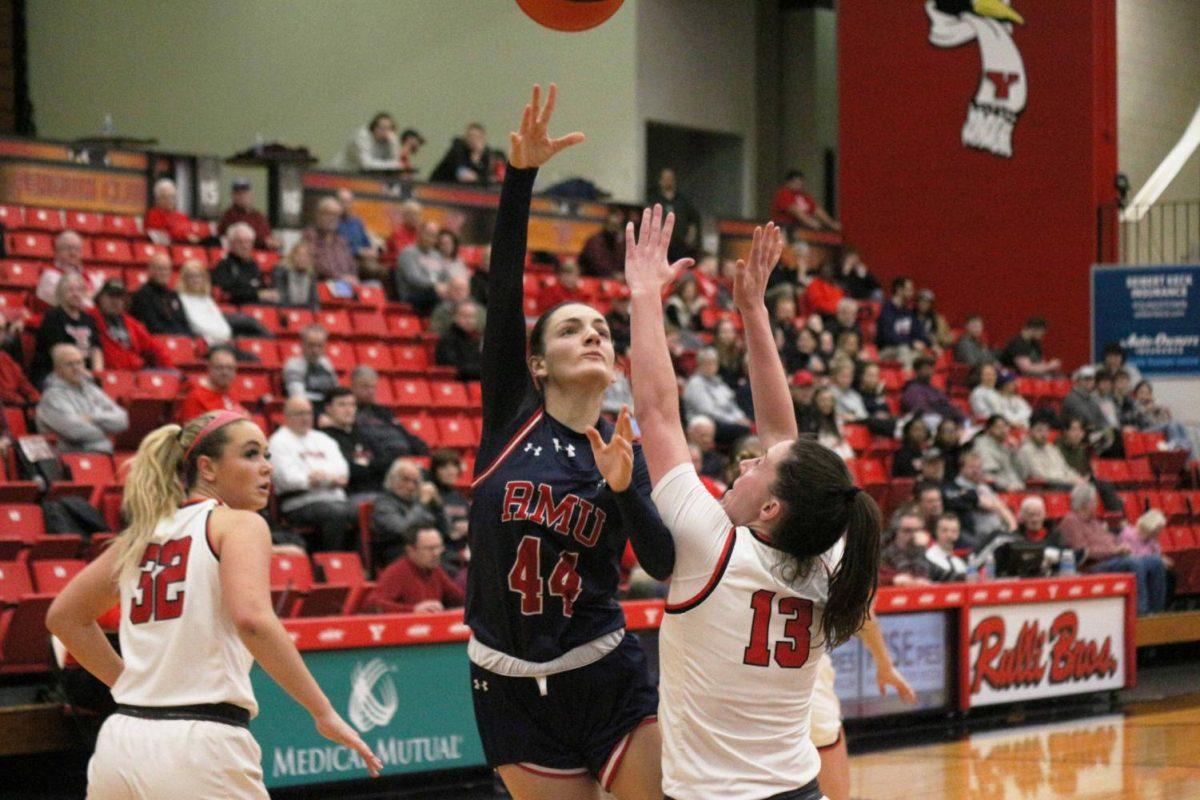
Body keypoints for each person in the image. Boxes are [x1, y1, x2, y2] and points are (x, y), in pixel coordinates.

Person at [464, 86, 674, 799]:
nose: (592, 334)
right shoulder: (509, 420)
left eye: (602, 332)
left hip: (605, 671)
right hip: (507, 684)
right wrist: (519, 177)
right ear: (536, 362)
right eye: (570, 329)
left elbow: (662, 558)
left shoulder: (620, 446)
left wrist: (624, 489)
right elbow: (504, 294)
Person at [628, 208, 880, 800]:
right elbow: (780, 437)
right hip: (798, 789)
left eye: (757, 469)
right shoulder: (827, 554)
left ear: (771, 510)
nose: (746, 463)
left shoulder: (709, 547)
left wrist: (644, 296)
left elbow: (660, 413)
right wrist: (753, 313)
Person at [46, 411, 380, 798]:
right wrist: (322, 712)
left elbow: (64, 617)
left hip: (122, 739)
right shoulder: (239, 524)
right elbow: (253, 620)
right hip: (199, 745)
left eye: (268, 456)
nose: (266, 468)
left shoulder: (140, 536)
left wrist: (130, 685)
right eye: (251, 454)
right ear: (207, 467)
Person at [1056, 484, 1167, 615]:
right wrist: (1115, 551)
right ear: (1085, 504)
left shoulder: (1094, 522)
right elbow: (1082, 553)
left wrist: (1121, 547)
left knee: (1155, 561)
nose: (1097, 505)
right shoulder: (1071, 522)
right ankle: (1140, 613)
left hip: (1115, 559)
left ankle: (1156, 612)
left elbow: (1111, 540)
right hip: (1093, 567)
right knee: (1134, 563)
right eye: (1095, 501)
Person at [268, 396, 359, 552]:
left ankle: (358, 564)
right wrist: (324, 479)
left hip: (334, 498)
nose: (306, 418)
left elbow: (342, 471)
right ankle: (331, 559)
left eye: (308, 413)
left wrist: (319, 478)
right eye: (300, 414)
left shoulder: (324, 439)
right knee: (335, 513)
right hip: (299, 502)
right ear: (287, 416)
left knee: (364, 512)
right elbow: (286, 478)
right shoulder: (278, 442)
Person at [36, 343, 128, 453]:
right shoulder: (52, 397)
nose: (76, 368)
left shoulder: (91, 389)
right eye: (69, 364)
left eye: (79, 363)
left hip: (105, 453)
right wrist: (109, 431)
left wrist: (92, 418)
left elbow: (123, 420)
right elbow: (75, 431)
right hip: (74, 457)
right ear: (57, 369)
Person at [363, 525, 465, 614]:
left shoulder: (435, 570)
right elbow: (373, 605)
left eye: (439, 547)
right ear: (411, 550)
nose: (436, 553)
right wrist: (412, 610)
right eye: (430, 549)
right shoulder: (397, 572)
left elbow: (458, 598)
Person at [369, 458, 445, 570]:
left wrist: (438, 505)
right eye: (405, 480)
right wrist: (422, 504)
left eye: (415, 481)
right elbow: (404, 530)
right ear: (392, 480)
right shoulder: (384, 503)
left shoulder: (416, 502)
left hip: (426, 552)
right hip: (396, 553)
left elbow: (447, 530)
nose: (410, 486)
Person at [31, 273, 103, 387]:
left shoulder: (89, 319)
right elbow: (59, 354)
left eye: (79, 290)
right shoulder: (53, 317)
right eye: (70, 290)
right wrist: (84, 376)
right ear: (61, 293)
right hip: (54, 373)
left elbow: (96, 350)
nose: (76, 294)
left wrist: (98, 375)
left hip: (83, 375)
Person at [319, 387, 389, 503]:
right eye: (342, 405)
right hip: (351, 495)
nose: (349, 410)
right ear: (328, 409)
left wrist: (364, 464)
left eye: (352, 405)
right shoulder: (323, 438)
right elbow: (347, 471)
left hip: (379, 492)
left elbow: (387, 462)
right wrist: (371, 466)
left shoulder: (363, 434)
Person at [88, 279, 175, 371]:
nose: (116, 301)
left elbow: (154, 349)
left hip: (135, 373)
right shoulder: (90, 317)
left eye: (120, 297)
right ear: (100, 298)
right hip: (110, 374)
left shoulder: (132, 324)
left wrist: (173, 372)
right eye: (111, 296)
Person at [349, 365, 429, 460]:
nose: (370, 391)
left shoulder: (382, 411)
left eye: (373, 387)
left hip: (405, 455)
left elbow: (404, 432)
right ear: (353, 386)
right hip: (383, 458)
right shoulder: (349, 411)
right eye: (365, 386)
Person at [943, 450, 1017, 550]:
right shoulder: (954, 488)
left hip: (997, 534)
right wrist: (991, 505)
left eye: (979, 467)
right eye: (972, 467)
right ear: (961, 468)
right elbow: (989, 505)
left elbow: (1000, 507)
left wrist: (1012, 527)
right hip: (975, 537)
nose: (976, 471)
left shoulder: (984, 487)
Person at [682, 347, 753, 445]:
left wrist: (740, 417)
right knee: (741, 430)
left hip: (725, 420)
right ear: (699, 364)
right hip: (705, 421)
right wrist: (734, 420)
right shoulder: (695, 383)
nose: (711, 366)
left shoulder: (718, 381)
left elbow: (731, 403)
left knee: (748, 425)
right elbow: (708, 410)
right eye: (707, 363)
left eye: (714, 363)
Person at [176, 345, 249, 422]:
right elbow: (191, 431)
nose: (225, 372)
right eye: (219, 368)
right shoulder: (196, 397)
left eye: (230, 368)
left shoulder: (232, 393)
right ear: (209, 369)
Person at [213, 222, 280, 305]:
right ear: (231, 243)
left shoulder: (254, 265)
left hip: (258, 307)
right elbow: (228, 294)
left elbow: (263, 287)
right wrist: (256, 295)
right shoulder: (223, 265)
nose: (245, 246)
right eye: (240, 242)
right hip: (236, 310)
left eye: (248, 242)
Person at [35, 230, 105, 308]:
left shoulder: (92, 277)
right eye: (68, 248)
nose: (73, 253)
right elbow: (69, 303)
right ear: (57, 252)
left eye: (77, 249)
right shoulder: (50, 276)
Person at [1017, 414, 1087, 490]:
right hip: (1044, 488)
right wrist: (1067, 480)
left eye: (1046, 430)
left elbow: (1066, 469)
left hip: (1063, 483)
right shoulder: (1026, 451)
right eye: (1039, 430)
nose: (1044, 434)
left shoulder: (1052, 449)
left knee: (1089, 486)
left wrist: (1077, 478)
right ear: (1030, 431)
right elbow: (1040, 475)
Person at [130, 253, 192, 336]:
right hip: (158, 341)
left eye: (166, 269)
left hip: (180, 341)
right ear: (150, 270)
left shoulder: (173, 295)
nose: (163, 272)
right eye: (159, 269)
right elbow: (153, 327)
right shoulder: (142, 295)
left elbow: (184, 323)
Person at [396, 220, 450, 314]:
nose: (430, 238)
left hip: (435, 293)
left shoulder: (436, 255)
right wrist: (435, 286)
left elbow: (445, 277)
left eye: (434, 236)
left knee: (461, 299)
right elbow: (413, 278)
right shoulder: (408, 253)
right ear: (419, 234)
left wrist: (449, 287)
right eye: (428, 234)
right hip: (413, 295)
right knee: (439, 297)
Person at [875, 277, 930, 369]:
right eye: (909, 290)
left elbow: (919, 332)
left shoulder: (908, 312)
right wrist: (911, 343)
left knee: (922, 355)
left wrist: (929, 343)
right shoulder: (887, 310)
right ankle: (907, 380)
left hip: (907, 347)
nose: (912, 293)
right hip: (887, 350)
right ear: (899, 290)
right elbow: (889, 337)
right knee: (903, 349)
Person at [647, 167, 700, 261]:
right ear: (660, 181)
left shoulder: (683, 201)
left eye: (670, 178)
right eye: (665, 178)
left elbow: (692, 220)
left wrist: (691, 237)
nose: (668, 181)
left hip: (680, 246)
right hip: (660, 246)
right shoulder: (654, 200)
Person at [282, 324, 339, 405]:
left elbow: (337, 392)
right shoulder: (293, 365)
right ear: (302, 344)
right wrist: (327, 400)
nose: (315, 350)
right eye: (311, 345)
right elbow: (298, 397)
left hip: (328, 410)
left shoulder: (326, 363)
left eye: (320, 346)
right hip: (305, 412)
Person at [303, 198, 357, 282]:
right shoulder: (310, 236)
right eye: (328, 214)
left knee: (374, 285)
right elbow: (316, 266)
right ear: (318, 215)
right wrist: (341, 277)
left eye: (336, 215)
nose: (332, 218)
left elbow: (352, 265)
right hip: (324, 284)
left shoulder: (341, 241)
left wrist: (352, 277)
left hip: (348, 285)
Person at [901, 355, 964, 424]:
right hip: (926, 422)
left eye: (931, 368)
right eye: (925, 368)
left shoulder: (935, 390)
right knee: (933, 419)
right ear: (917, 371)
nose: (929, 371)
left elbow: (948, 405)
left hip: (944, 421)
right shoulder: (912, 389)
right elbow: (921, 409)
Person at [218, 179, 279, 250]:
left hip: (264, 253)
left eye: (245, 193)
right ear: (233, 196)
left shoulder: (258, 215)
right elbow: (239, 237)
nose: (242, 197)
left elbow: (268, 235)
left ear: (250, 195)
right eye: (239, 194)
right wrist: (264, 242)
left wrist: (274, 241)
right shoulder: (229, 215)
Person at [429, 122, 495, 185]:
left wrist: (479, 155)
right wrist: (476, 156)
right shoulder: (457, 150)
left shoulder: (486, 154)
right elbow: (464, 176)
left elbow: (487, 177)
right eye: (470, 136)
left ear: (483, 139)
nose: (473, 140)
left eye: (477, 137)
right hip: (439, 187)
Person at [336, 112, 405, 171]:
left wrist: (393, 143)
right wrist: (392, 165)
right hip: (339, 174)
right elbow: (366, 165)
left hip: (360, 178)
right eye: (382, 127)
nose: (385, 132)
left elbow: (397, 164)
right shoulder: (362, 136)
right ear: (374, 127)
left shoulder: (386, 141)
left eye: (389, 129)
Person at [972, 415, 1025, 491]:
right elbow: (989, 476)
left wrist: (1015, 453)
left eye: (1005, 427)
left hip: (1015, 487)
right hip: (993, 489)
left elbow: (1022, 473)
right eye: (998, 427)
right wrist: (1008, 486)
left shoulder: (1006, 446)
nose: (1003, 430)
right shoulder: (982, 445)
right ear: (988, 430)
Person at [433, 300, 483, 381]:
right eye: (465, 316)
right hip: (456, 384)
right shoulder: (447, 340)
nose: (469, 320)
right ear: (455, 317)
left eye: (472, 317)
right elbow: (452, 366)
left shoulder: (476, 339)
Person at [879, 512, 933, 586]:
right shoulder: (886, 554)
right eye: (907, 530)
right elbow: (914, 576)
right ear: (896, 532)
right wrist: (892, 579)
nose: (913, 535)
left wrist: (921, 549)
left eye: (917, 530)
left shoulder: (928, 551)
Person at [144, 178, 200, 244]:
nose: (170, 200)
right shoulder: (152, 215)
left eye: (172, 197)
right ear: (157, 199)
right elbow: (162, 236)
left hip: (186, 248)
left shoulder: (182, 216)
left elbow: (192, 233)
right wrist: (183, 236)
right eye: (165, 197)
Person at [272, 240, 320, 310]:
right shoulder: (281, 272)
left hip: (305, 314)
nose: (302, 259)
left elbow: (314, 301)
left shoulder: (311, 276)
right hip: (286, 312)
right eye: (299, 255)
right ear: (292, 255)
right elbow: (280, 298)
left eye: (306, 256)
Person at [579, 208, 626, 278]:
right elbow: (597, 265)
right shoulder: (594, 241)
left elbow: (623, 263)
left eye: (616, 226)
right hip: (592, 280)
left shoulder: (620, 243)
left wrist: (623, 274)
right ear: (605, 224)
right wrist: (613, 275)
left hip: (615, 281)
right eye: (611, 225)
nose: (612, 229)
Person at [925, 513, 968, 581]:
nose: (949, 535)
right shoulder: (928, 557)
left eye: (954, 531)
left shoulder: (959, 563)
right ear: (936, 532)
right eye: (944, 531)